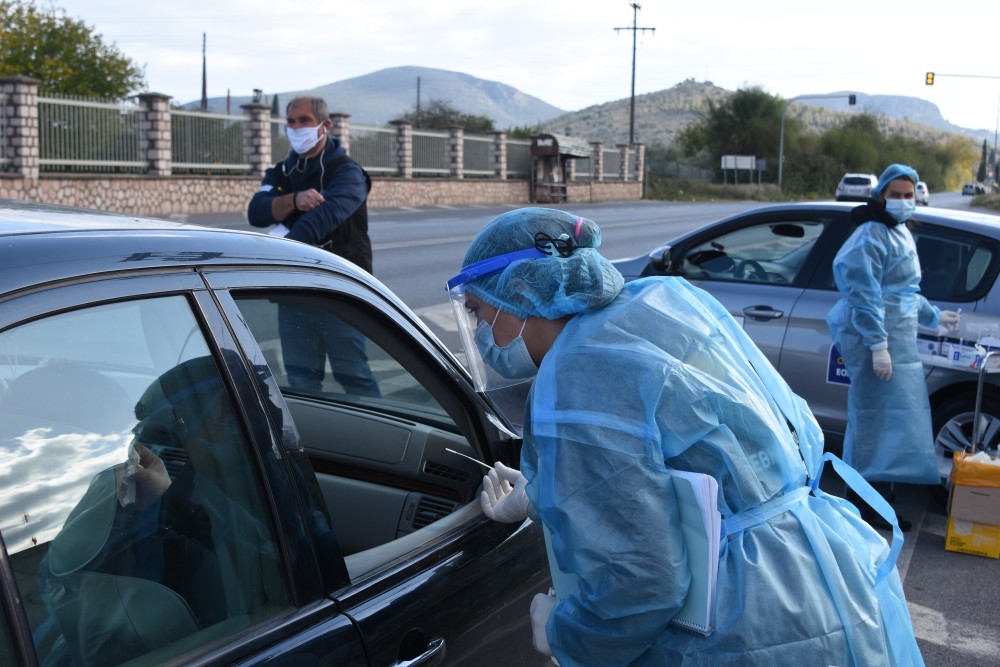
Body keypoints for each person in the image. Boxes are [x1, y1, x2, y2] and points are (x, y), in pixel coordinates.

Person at [448, 207, 925, 666]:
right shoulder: (663, 301)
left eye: (477, 310)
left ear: (521, 291)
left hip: (748, 620)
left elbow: (642, 583)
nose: (479, 330)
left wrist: (563, 633)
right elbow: (697, 454)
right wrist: (544, 489)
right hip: (825, 568)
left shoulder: (574, 373)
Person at [827, 163, 960, 531]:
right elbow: (864, 292)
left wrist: (934, 316)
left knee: (895, 425)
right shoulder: (871, 234)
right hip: (877, 342)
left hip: (897, 341)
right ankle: (860, 505)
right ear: (880, 195)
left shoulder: (899, 232)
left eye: (909, 195)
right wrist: (877, 344)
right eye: (895, 194)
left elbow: (904, 291)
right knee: (871, 422)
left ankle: (879, 503)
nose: (903, 201)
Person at [247, 96, 380, 396]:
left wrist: (279, 247)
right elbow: (255, 212)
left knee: (356, 379)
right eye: (291, 122)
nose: (296, 128)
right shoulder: (281, 173)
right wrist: (293, 200)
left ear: (324, 126)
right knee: (301, 383)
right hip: (294, 294)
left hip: (340, 294)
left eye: (304, 120)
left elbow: (321, 220)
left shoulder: (347, 172)